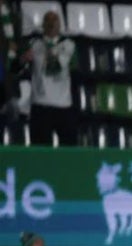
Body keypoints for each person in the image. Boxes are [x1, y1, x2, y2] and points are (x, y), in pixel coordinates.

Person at [22, 10, 76, 146]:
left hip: (63, 105)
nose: (51, 25)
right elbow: (16, 68)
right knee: (40, 150)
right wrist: (23, 59)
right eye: (48, 21)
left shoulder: (69, 45)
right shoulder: (34, 44)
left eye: (54, 21)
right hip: (40, 104)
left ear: (60, 25)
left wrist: (49, 47)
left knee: (68, 149)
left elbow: (54, 68)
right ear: (43, 25)